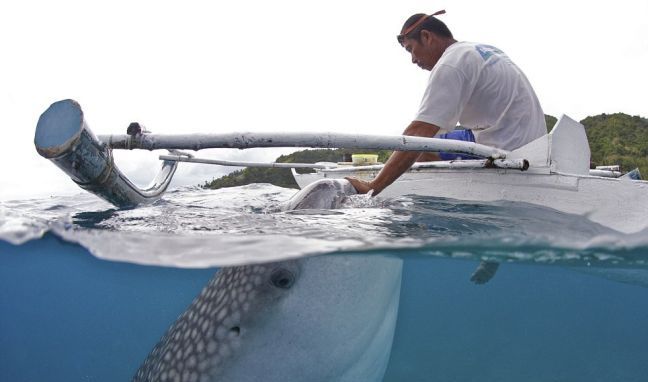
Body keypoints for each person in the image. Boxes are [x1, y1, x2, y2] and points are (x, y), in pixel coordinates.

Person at [346, 10, 546, 196]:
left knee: (420, 147)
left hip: (508, 146)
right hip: (527, 139)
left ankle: (454, 191)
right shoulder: (478, 50)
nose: (413, 60)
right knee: (426, 143)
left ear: (426, 37)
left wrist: (373, 187)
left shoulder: (450, 64)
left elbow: (419, 133)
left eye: (411, 50)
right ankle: (454, 170)